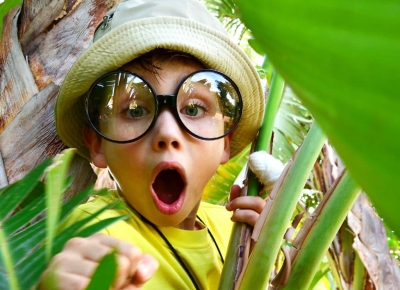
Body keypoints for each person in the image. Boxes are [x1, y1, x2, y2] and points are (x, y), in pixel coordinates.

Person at [40, 0, 275, 289]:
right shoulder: (97, 231)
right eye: (136, 110)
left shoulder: (238, 230)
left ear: (225, 141)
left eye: (193, 109)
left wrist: (274, 259)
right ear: (98, 144)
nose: (167, 133)